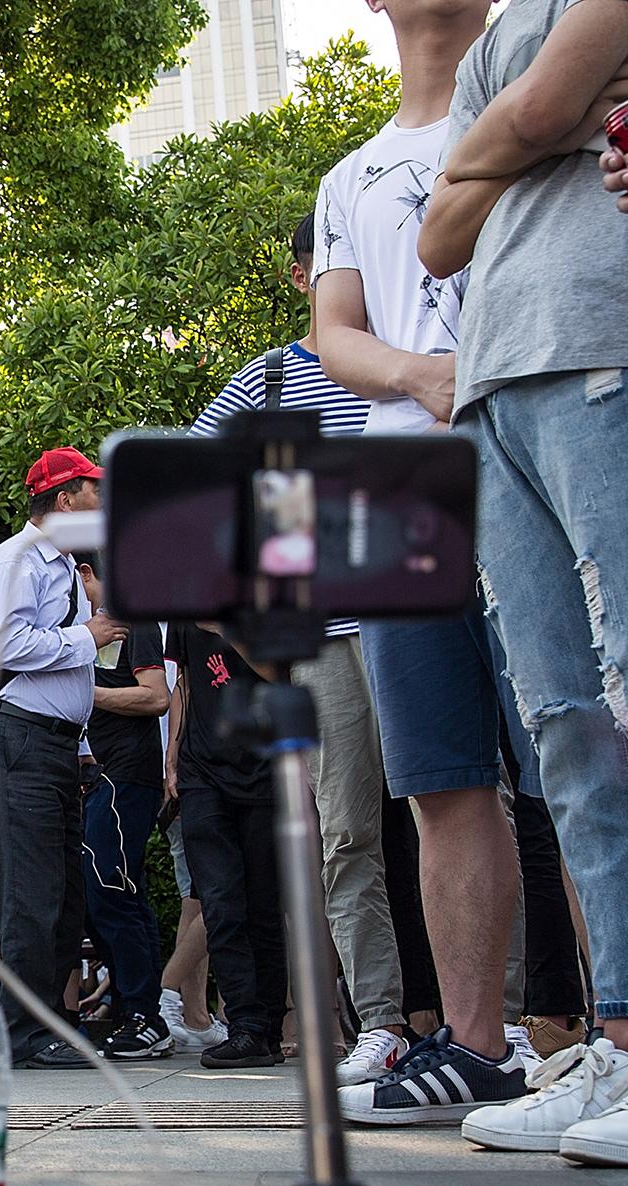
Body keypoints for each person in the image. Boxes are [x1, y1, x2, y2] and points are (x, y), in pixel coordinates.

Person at [420, 2, 628, 1165]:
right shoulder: (493, 37)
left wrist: (513, 136)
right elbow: (436, 237)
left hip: (621, 340)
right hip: (493, 379)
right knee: (566, 729)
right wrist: (531, 130)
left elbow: (536, 115)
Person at [313, 0, 533, 1124]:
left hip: (533, 436)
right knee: (438, 779)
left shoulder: (538, 90)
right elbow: (332, 332)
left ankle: (620, 1035)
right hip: (396, 486)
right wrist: (415, 376)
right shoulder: (349, 172)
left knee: (580, 749)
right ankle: (475, 1047)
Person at [190, 212, 406, 1082]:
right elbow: (190, 485)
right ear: (302, 279)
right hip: (326, 639)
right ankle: (384, 1024)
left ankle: (487, 1030)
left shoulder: (410, 358)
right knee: (347, 834)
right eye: (329, 267)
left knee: (469, 812)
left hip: (425, 618)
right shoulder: (269, 382)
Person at [0, 447, 127, 1069]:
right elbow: (4, 647)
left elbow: (64, 675)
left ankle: (48, 1023)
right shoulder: (14, 559)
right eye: (95, 491)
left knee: (63, 897)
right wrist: (84, 636)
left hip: (56, 745)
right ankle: (21, 1033)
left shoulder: (62, 565)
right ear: (64, 500)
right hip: (15, 739)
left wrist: (83, 747)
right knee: (28, 897)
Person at [165, 623, 287, 1067]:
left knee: (263, 903)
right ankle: (245, 1024)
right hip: (201, 770)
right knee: (218, 901)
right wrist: (173, 756)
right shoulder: (184, 598)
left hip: (262, 762)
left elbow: (279, 670)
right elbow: (184, 681)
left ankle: (268, 1029)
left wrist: (226, 626)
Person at [81, 593, 171, 1060]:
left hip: (129, 774)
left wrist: (88, 694)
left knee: (110, 889)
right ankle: (134, 1010)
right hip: (95, 779)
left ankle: (144, 1015)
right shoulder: (79, 631)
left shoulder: (133, 621)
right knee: (111, 892)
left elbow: (158, 696)